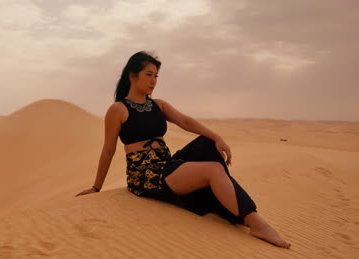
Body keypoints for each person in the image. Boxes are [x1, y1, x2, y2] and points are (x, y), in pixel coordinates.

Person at [76, 51, 291, 248]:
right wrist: (96, 187)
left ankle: (228, 204)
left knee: (207, 144)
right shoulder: (118, 109)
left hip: (166, 164)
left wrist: (216, 137)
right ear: (132, 75)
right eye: (149, 75)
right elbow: (108, 150)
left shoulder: (158, 105)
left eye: (156, 76)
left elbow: (185, 121)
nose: (154, 81)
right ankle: (254, 222)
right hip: (145, 176)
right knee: (213, 170)